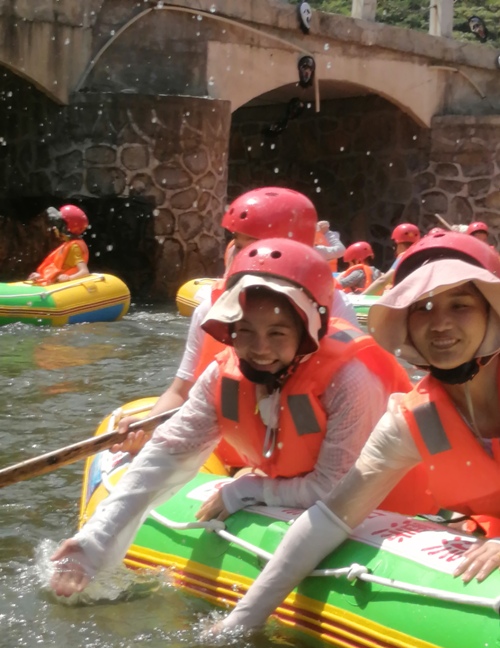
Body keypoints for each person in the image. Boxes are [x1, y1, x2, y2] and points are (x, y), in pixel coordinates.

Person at [49, 237, 411, 597]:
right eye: (245, 330)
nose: (260, 349)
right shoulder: (222, 375)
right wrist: (92, 542)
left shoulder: (350, 379)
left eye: (277, 332)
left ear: (307, 330)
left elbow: (335, 492)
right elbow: (167, 452)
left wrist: (246, 490)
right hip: (301, 494)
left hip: (396, 514)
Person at [215, 230, 500, 632]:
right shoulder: (412, 419)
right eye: (422, 308)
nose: (440, 324)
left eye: (461, 305)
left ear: (491, 312)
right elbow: (331, 517)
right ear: (405, 322)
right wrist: (239, 624)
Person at [116, 188, 358, 458]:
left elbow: (350, 402)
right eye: (239, 246)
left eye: (253, 246)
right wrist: (147, 427)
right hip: (225, 451)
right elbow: (181, 392)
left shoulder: (334, 308)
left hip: (306, 458)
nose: (242, 257)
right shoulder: (212, 309)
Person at [28, 205, 90, 285]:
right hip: (55, 281)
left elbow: (84, 272)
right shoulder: (67, 244)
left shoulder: (75, 247)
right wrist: (41, 276)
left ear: (65, 228)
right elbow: (56, 268)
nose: (54, 228)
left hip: (63, 284)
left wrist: (69, 278)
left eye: (57, 225)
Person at [363, 222, 420, 296]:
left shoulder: (404, 256)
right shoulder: (420, 255)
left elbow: (383, 280)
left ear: (396, 243)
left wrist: (361, 297)